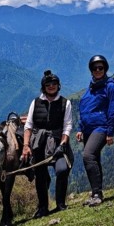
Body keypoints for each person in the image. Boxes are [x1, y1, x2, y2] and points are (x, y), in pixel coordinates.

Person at [21, 69, 73, 216]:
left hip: (57, 141)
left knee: (62, 170)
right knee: (40, 174)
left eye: (54, 83)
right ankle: (42, 207)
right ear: (43, 87)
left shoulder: (65, 103)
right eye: (48, 84)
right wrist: (26, 146)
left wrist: (63, 143)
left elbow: (67, 125)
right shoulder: (36, 102)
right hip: (39, 142)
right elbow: (29, 125)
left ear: (58, 85)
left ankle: (60, 203)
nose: (51, 86)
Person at [77, 55, 114, 207]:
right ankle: (96, 192)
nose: (97, 70)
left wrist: (110, 132)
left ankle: (97, 194)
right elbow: (83, 108)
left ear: (105, 68)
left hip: (101, 128)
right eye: (94, 68)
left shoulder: (110, 87)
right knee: (95, 158)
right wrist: (80, 128)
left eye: (100, 68)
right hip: (88, 129)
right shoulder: (91, 88)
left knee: (88, 156)